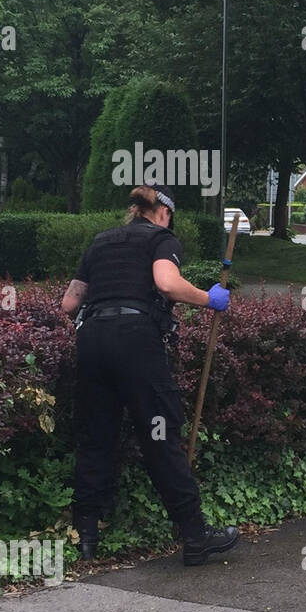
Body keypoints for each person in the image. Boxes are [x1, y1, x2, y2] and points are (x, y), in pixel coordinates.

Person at [59, 186, 240, 566]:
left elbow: (70, 303)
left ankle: (87, 536)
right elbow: (167, 284)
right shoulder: (162, 238)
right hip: (136, 344)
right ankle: (194, 536)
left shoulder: (101, 242)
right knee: (159, 434)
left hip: (91, 341)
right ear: (164, 214)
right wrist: (210, 300)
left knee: (96, 437)